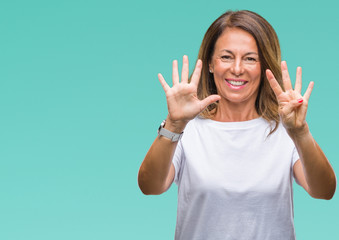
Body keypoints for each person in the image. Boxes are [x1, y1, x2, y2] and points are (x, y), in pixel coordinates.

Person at [138, 10, 336, 240]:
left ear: (264, 67)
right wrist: (174, 124)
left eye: (250, 58)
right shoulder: (187, 129)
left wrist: (301, 133)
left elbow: (324, 191)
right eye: (226, 57)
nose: (237, 68)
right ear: (211, 63)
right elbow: (150, 186)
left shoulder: (286, 129)